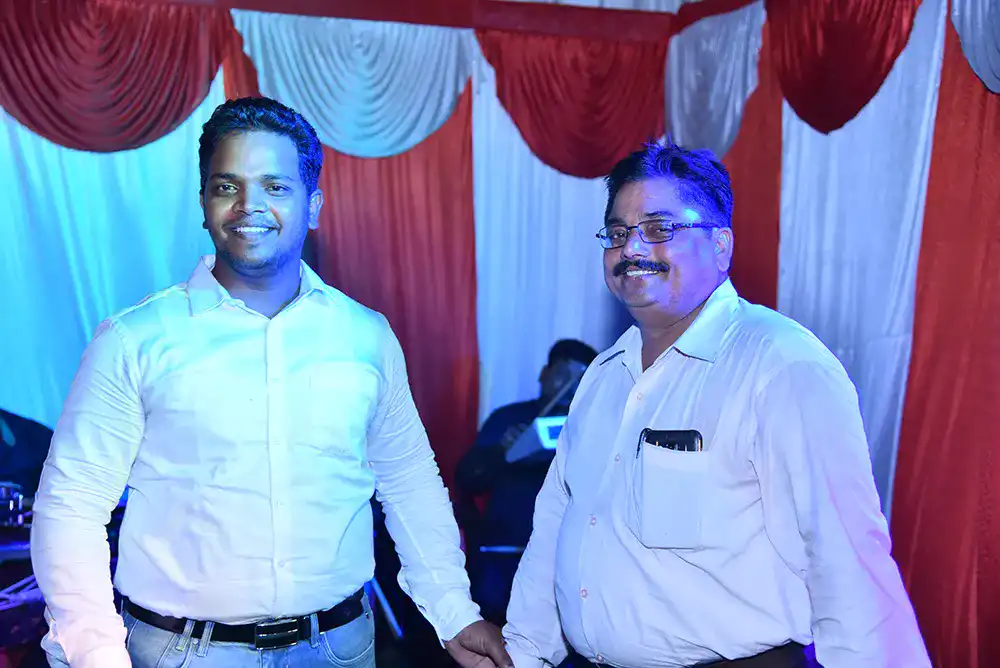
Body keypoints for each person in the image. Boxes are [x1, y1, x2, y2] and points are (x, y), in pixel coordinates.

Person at [30, 97, 511, 668]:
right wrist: (94, 652)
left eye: (275, 186)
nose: (248, 205)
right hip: (181, 654)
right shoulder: (134, 340)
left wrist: (453, 610)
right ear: (204, 203)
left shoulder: (365, 336)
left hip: (339, 647)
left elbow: (408, 481)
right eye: (226, 186)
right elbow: (72, 504)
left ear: (314, 206)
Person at [502, 139, 930, 668]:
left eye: (660, 229)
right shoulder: (603, 376)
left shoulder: (780, 366)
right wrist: (525, 652)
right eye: (617, 233)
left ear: (721, 245)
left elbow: (845, 560)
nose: (632, 249)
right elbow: (557, 526)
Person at [455, 341, 597, 624]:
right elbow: (467, 480)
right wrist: (501, 452)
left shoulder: (592, 425)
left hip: (565, 560)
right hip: (504, 555)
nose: (569, 388)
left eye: (579, 380)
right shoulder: (508, 419)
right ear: (544, 373)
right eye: (563, 375)